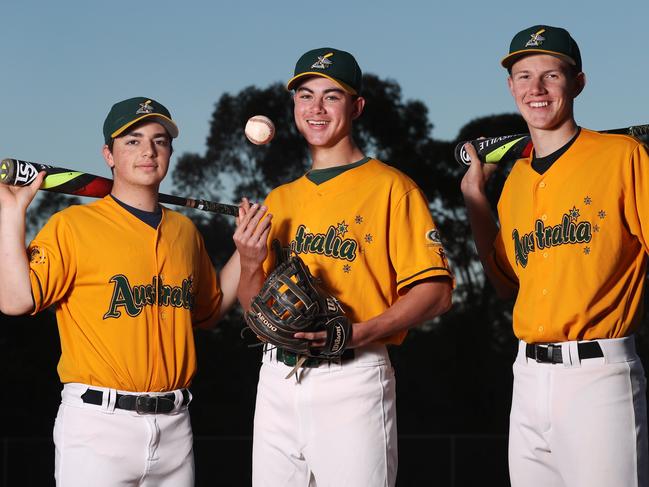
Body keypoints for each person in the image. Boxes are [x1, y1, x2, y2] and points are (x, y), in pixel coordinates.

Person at [230, 47, 454, 486]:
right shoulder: (280, 199)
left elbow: (437, 293)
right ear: (293, 105)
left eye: (332, 97)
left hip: (354, 375)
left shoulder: (391, 188)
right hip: (278, 377)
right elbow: (253, 313)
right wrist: (251, 262)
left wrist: (359, 332)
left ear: (356, 107)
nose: (316, 108)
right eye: (305, 95)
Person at [0, 97, 229, 487]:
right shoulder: (72, 225)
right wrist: (11, 212)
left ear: (170, 151)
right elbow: (15, 300)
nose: (148, 151)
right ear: (108, 154)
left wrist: (248, 249)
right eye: (132, 141)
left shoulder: (185, 232)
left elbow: (212, 310)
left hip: (176, 426)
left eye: (160, 141)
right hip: (97, 425)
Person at [460, 25, 649, 487]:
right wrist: (475, 200)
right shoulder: (516, 181)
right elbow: (506, 283)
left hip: (599, 375)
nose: (536, 89)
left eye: (552, 75)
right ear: (510, 86)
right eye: (523, 76)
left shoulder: (622, 157)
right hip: (526, 377)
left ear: (578, 83)